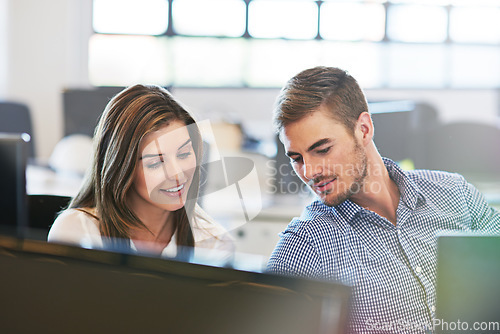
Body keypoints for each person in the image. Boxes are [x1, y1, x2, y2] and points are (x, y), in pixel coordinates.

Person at [266, 66, 500, 333]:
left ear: (363, 129)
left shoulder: (455, 193)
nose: (309, 172)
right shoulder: (306, 244)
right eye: (296, 158)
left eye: (322, 150)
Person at [48, 84, 233, 260]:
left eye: (184, 154)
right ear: (121, 167)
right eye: (155, 163)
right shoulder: (77, 232)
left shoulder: (213, 243)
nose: (177, 174)